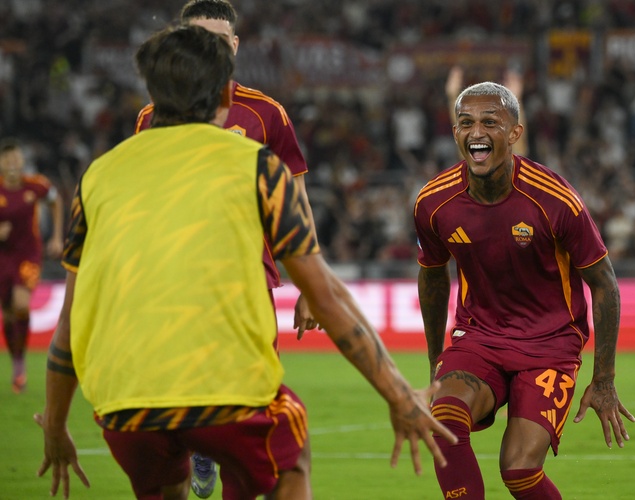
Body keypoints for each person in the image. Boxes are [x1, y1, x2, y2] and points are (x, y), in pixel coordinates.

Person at [35, 25, 456, 500]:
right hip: (225, 396)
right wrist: (399, 395)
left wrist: (55, 425)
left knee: (165, 482)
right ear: (224, 93)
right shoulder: (256, 165)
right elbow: (325, 294)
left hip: (123, 403)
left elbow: (70, 321)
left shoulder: (97, 177)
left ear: (151, 95)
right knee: (292, 458)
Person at [414, 81, 634, 499]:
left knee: (518, 471)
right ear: (455, 132)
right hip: (479, 337)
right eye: (466, 123)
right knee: (443, 419)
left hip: (550, 344)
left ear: (515, 133)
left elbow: (605, 284)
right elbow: (433, 276)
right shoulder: (434, 202)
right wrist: (434, 360)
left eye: (489, 122)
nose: (476, 132)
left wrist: (603, 379)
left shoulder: (555, 199)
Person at [134, 1, 319, 495]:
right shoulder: (151, 117)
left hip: (248, 278)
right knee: (179, 391)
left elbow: (296, 199)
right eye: (199, 38)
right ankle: (198, 447)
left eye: (219, 39)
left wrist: (308, 284)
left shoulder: (266, 113)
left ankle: (216, 456)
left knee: (256, 397)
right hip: (175, 281)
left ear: (235, 46)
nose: (210, 49)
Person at [0, 138, 64, 393]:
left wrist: (57, 236)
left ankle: (20, 363)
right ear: (1, 163)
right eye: (7, 159)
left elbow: (55, 201)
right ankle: (17, 361)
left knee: (21, 304)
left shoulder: (36, 185)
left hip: (28, 255)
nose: (12, 163)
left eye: (16, 158)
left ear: (22, 161)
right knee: (7, 314)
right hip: (2, 256)